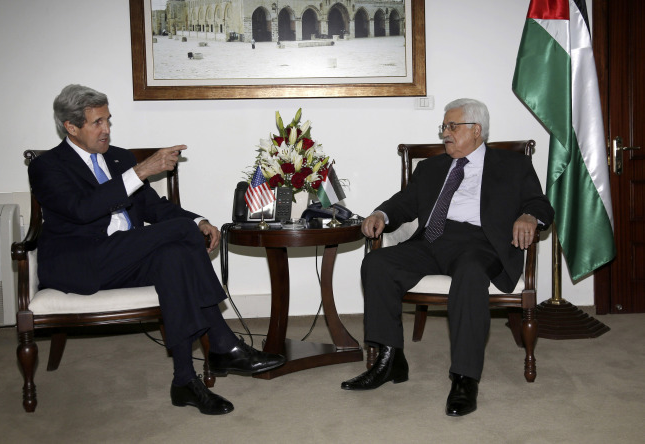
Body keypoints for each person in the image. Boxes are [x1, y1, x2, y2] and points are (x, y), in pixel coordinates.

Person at [30, 84, 286, 415]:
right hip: (79, 262)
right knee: (179, 236)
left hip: (124, 258)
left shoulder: (118, 157)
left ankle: (184, 381)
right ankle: (223, 344)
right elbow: (82, 209)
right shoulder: (48, 166)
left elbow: (155, 208)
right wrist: (140, 171)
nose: (107, 129)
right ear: (71, 127)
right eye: (97, 123)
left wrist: (200, 221)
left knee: (174, 256)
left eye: (108, 120)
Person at [341, 98, 554, 417]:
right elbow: (404, 202)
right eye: (444, 126)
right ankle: (389, 360)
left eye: (452, 126)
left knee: (470, 273)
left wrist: (528, 216)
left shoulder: (512, 165)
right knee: (378, 263)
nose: (445, 133)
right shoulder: (431, 167)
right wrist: (381, 213)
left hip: (480, 243)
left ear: (476, 130)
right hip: (432, 240)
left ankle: (465, 378)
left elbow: (540, 204)